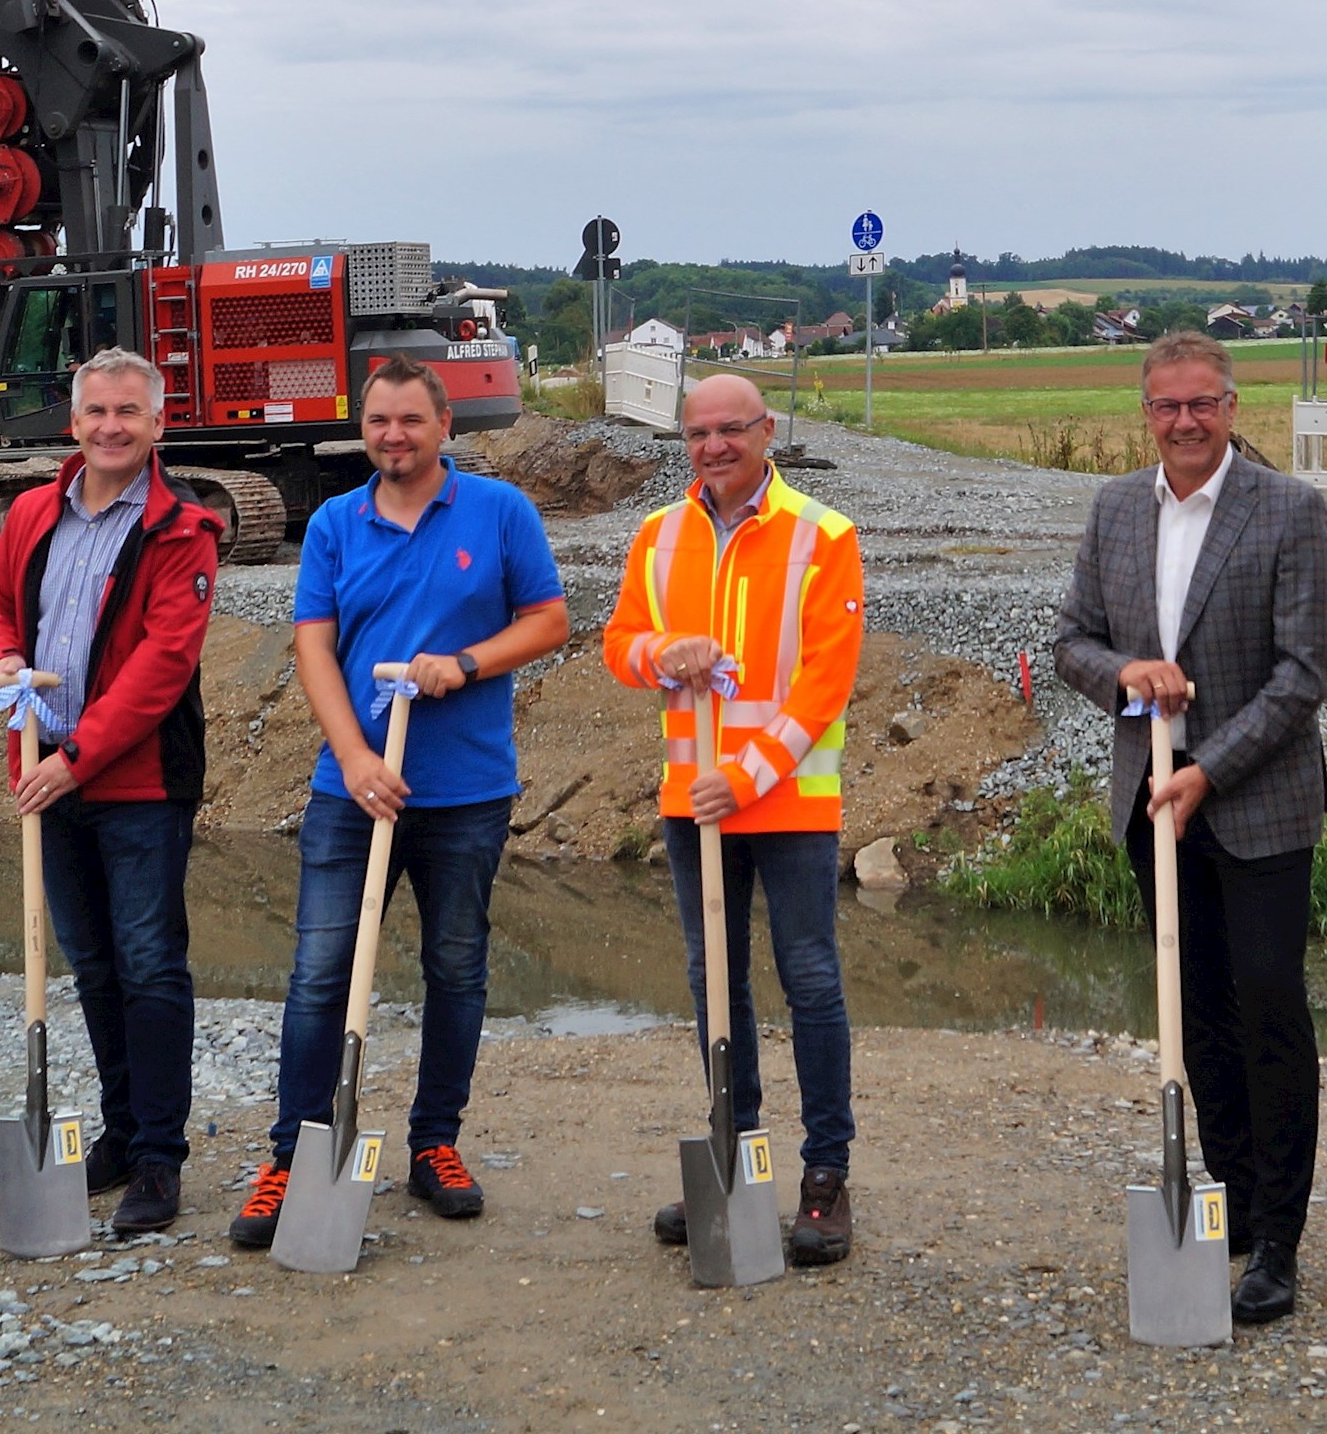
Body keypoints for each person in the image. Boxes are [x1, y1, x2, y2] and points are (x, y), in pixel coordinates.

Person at [229, 358, 567, 1250]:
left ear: (444, 424)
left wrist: (466, 662)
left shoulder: (500, 512)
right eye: (378, 420)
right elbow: (313, 644)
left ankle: (435, 1144)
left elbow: (549, 619)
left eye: (410, 420)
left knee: (455, 965)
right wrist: (352, 755)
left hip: (467, 790)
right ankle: (293, 1156)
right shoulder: (338, 523)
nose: (393, 435)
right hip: (354, 791)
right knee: (319, 972)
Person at [1048, 330, 1327, 1324]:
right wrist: (1130, 684)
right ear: (1147, 411)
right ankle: (1236, 1207)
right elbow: (1072, 645)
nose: (1185, 422)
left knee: (1267, 1007)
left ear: (1230, 404)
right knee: (1195, 1013)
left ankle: (1283, 1245)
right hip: (1151, 800)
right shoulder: (1117, 509)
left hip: (1259, 806)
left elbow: (1303, 675)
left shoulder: (1288, 512)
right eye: (1167, 407)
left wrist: (1211, 769)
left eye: (1202, 404)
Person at [604, 371, 867, 1267]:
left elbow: (824, 684)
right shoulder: (658, 534)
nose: (714, 446)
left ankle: (825, 1172)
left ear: (766, 432)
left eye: (732, 429)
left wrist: (746, 776)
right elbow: (619, 644)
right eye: (698, 432)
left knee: (810, 979)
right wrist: (657, 652)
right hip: (694, 801)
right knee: (714, 979)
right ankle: (733, 1147)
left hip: (786, 801)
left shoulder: (822, 536)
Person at [0, 347, 225, 1237]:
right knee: (95, 967)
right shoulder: (36, 512)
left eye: (129, 411)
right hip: (46, 776)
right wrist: (0, 659)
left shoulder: (180, 530)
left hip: (138, 784)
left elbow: (162, 667)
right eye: (96, 411)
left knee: (151, 965)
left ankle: (159, 1156)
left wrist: (78, 758)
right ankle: (119, 1132)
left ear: (158, 424)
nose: (112, 425)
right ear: (73, 423)